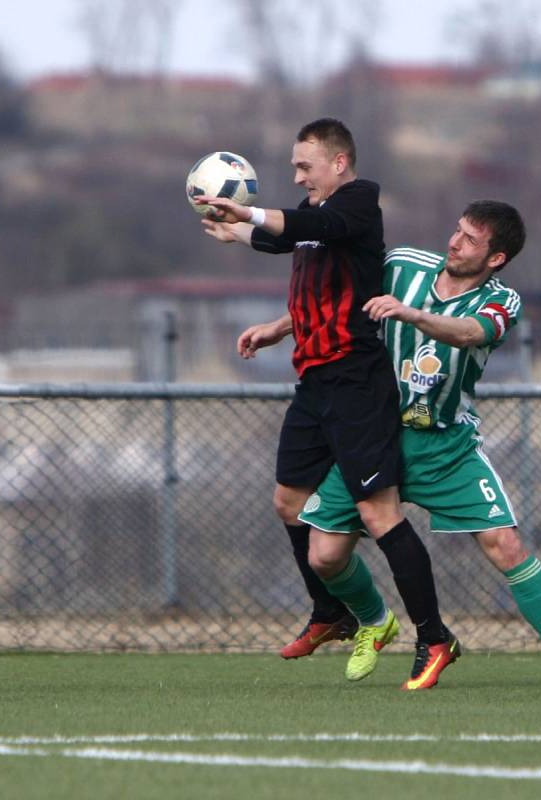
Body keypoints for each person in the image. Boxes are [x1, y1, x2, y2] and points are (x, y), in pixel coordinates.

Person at [262, 200, 541, 691]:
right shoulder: (403, 265)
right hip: (378, 437)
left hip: (447, 448)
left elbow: (468, 333)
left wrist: (411, 315)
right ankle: (375, 621)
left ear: (496, 258)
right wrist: (277, 329)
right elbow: (338, 300)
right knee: (324, 556)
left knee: (505, 545)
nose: (454, 242)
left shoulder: (503, 301)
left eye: (469, 239)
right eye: (457, 230)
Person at [197, 117, 454, 687]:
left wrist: (250, 216)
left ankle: (434, 637)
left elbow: (308, 226)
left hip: (358, 383)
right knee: (288, 502)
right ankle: (333, 612)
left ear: (338, 163)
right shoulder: (314, 217)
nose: (296, 175)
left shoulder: (360, 203)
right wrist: (237, 234)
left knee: (378, 514)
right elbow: (292, 237)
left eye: (304, 165)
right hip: (315, 384)